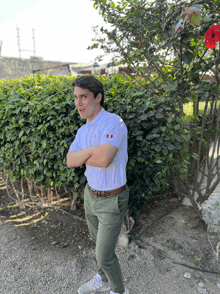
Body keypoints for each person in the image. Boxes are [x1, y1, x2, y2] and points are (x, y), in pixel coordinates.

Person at [66, 75, 129, 294]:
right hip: (90, 195)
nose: (78, 103)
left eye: (84, 96)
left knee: (104, 254)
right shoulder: (83, 131)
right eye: (76, 97)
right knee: (96, 242)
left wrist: (83, 155)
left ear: (98, 97)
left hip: (112, 198)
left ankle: (118, 290)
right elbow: (69, 160)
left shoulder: (114, 122)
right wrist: (93, 151)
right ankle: (102, 278)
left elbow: (104, 160)